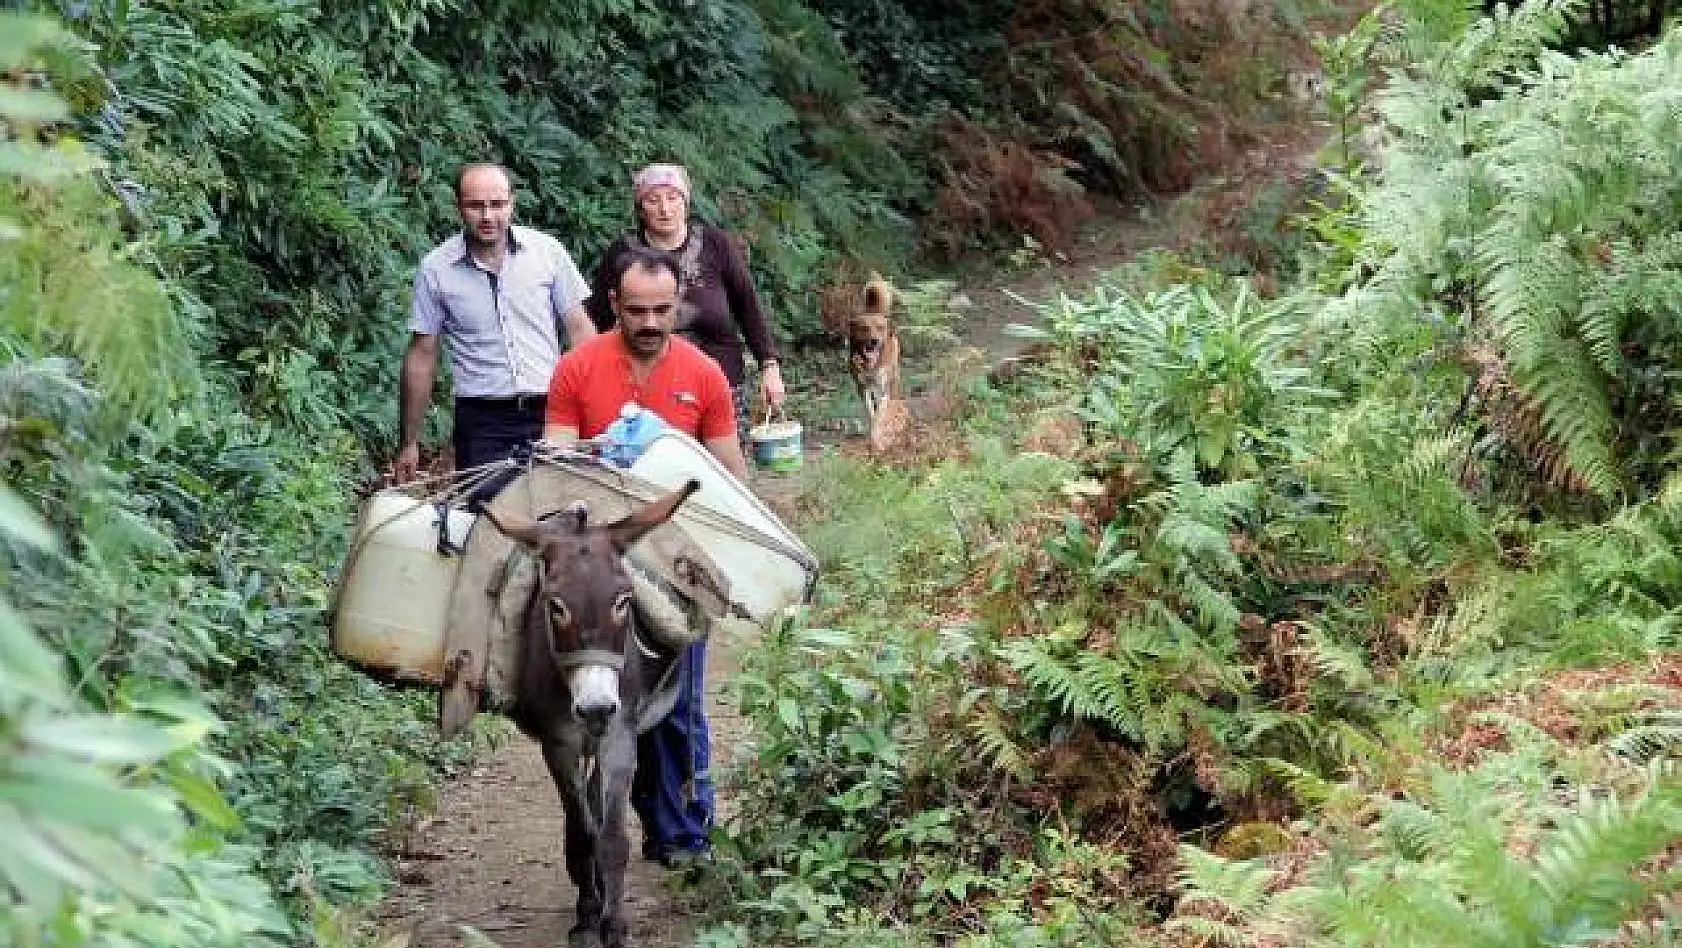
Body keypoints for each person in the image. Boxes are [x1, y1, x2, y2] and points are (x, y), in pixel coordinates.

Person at [544, 246, 747, 866]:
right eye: (637, 311)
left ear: (677, 307)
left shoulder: (703, 374)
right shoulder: (577, 369)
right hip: (597, 555)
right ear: (613, 307)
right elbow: (553, 462)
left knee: (677, 701)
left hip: (672, 559)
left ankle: (685, 834)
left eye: (662, 310)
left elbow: (728, 473)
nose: (651, 322)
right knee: (590, 689)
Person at [391, 162, 597, 483]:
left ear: (511, 204)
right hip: (482, 418)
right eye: (476, 206)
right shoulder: (436, 269)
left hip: (553, 410)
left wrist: (592, 405)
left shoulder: (547, 253)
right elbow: (422, 355)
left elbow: (580, 329)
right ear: (458, 207)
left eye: (497, 205)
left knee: (560, 511)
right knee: (486, 517)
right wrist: (409, 442)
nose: (488, 217)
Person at [587, 163, 785, 430]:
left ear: (686, 202)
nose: (665, 209)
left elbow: (747, 305)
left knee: (721, 466)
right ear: (640, 208)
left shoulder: (717, 244)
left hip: (721, 380)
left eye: (673, 198)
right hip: (645, 388)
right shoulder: (622, 253)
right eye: (653, 200)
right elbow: (596, 319)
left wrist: (769, 366)